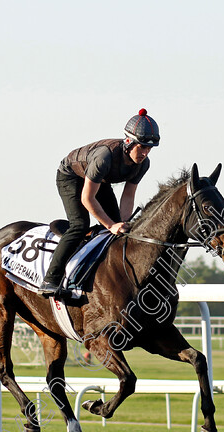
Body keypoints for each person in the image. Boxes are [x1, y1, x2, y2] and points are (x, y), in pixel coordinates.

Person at [38, 108, 160, 298]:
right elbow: (87, 198)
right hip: (71, 177)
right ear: (128, 142)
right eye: (141, 147)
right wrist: (111, 224)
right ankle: (50, 280)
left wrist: (122, 223)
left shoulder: (143, 164)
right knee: (80, 224)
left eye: (148, 148)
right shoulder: (105, 156)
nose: (145, 153)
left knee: (119, 229)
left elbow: (128, 197)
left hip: (98, 181)